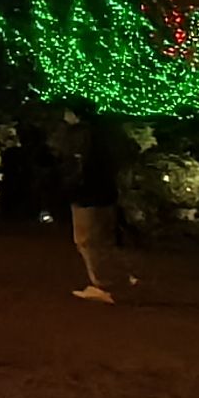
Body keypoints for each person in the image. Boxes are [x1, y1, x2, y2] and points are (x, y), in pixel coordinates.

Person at [62, 105, 135, 301]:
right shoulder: (109, 132)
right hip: (106, 192)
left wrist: (71, 185)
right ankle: (120, 277)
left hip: (87, 193)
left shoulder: (82, 135)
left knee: (87, 240)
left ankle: (102, 284)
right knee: (105, 238)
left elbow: (77, 165)